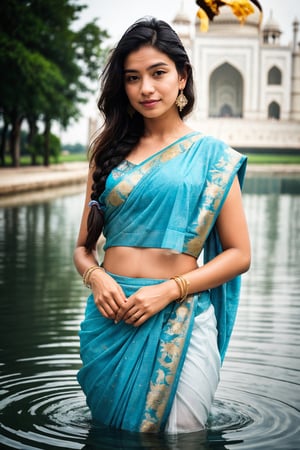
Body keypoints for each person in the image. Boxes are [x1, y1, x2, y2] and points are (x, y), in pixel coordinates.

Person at [73, 17, 251, 434]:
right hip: (111, 317)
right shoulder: (107, 153)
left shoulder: (212, 156)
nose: (146, 89)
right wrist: (97, 277)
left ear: (182, 76)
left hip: (180, 315)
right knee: (110, 437)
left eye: (158, 73)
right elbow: (82, 247)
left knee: (183, 437)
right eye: (133, 78)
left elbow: (240, 255)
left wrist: (170, 290)